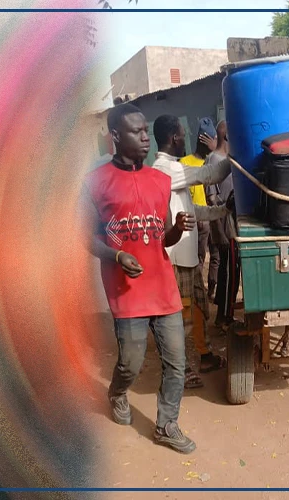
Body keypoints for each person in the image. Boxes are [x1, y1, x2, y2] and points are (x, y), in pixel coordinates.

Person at [83, 103, 196, 454]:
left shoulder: (159, 181)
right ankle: (117, 392)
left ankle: (167, 425)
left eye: (146, 131)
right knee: (130, 363)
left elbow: (162, 237)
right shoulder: (96, 183)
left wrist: (176, 230)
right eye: (136, 132)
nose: (146, 138)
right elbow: (87, 238)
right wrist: (116, 255)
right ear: (115, 136)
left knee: (176, 362)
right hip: (126, 291)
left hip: (163, 288)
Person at [150, 115, 233, 387]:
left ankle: (204, 355)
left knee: (199, 308)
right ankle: (180, 370)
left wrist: (222, 210)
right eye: (183, 133)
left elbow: (192, 211)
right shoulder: (165, 169)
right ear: (174, 138)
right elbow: (210, 174)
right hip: (176, 258)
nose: (185, 138)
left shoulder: (173, 168)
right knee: (180, 317)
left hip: (188, 257)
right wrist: (235, 155)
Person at [207, 120, 242, 332]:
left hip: (231, 226)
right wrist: (219, 229)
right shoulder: (214, 161)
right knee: (229, 272)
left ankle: (224, 313)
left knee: (230, 271)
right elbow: (212, 199)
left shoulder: (228, 160)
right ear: (227, 136)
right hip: (225, 226)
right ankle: (225, 316)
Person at [178, 118, 215, 302]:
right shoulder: (210, 163)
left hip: (200, 220)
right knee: (200, 259)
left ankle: (200, 292)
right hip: (198, 220)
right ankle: (199, 294)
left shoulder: (186, 162)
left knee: (201, 259)